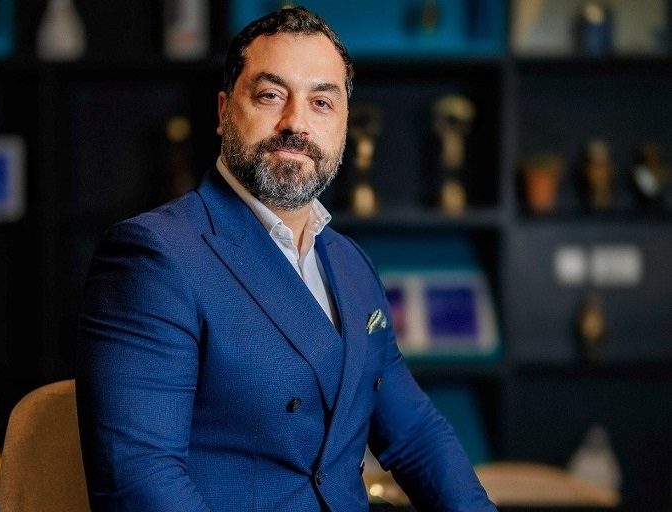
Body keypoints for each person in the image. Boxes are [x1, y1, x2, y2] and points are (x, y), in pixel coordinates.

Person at [75, 6, 497, 511]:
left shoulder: (352, 265)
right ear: (223, 111)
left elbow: (416, 435)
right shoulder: (153, 256)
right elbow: (139, 480)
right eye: (271, 95)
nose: (296, 122)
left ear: (343, 125)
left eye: (321, 102)